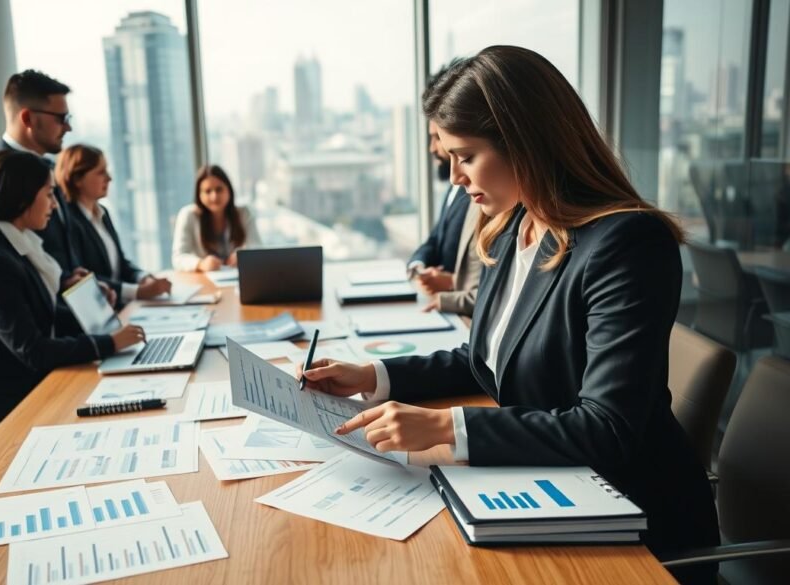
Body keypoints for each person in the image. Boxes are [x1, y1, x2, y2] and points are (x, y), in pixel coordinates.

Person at [301, 47, 717, 583]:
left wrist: (443, 425)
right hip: (544, 489)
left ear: (525, 141)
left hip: (627, 524)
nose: (453, 176)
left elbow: (607, 429)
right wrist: (373, 376)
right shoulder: (513, 224)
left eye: (465, 155)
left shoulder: (627, 243)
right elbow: (484, 358)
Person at [0, 150, 144, 468]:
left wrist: (84, 302)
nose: (55, 205)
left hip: (9, 388)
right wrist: (110, 342)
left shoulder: (15, 245)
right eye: (48, 194)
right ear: (20, 199)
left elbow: (37, 317)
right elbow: (34, 350)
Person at [56, 144, 171, 304]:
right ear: (77, 180)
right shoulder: (70, 223)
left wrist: (143, 277)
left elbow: (121, 263)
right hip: (102, 310)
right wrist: (138, 292)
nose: (109, 178)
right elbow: (83, 279)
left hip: (119, 306)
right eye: (100, 172)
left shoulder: (102, 212)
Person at [408, 69, 483, 316]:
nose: (455, 176)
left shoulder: (482, 195)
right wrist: (418, 266)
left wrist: (450, 283)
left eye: (465, 156)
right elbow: (435, 239)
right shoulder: (457, 188)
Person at [0, 69, 79, 276]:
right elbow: (6, 266)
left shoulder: (48, 167)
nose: (68, 127)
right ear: (28, 118)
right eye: (61, 118)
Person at [172, 165, 261, 272]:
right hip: (204, 281)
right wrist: (201, 264)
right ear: (199, 195)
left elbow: (257, 249)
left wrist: (244, 256)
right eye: (208, 191)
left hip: (239, 279)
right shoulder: (188, 215)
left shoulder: (244, 213)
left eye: (219, 189)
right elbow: (178, 257)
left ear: (229, 189)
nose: (214, 196)